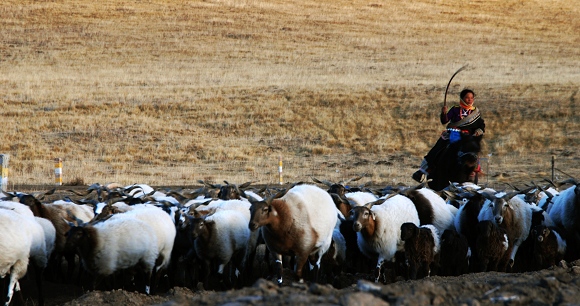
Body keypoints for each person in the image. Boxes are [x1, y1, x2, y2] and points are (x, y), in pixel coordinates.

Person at [412, 88, 485, 183]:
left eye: (471, 98)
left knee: (474, 150)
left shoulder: (476, 112)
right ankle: (425, 169)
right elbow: (445, 121)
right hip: (454, 133)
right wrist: (444, 113)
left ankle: (474, 170)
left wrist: (478, 131)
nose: (469, 100)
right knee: (440, 146)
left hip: (468, 136)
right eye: (467, 98)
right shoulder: (455, 109)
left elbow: (481, 125)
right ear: (462, 99)